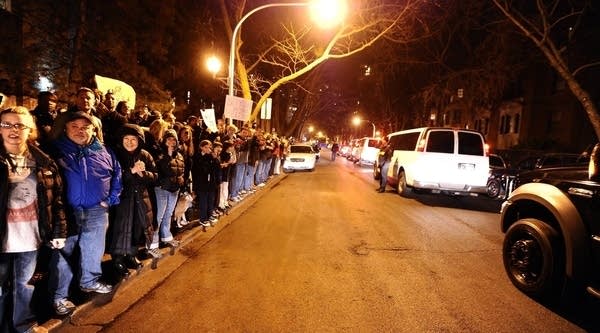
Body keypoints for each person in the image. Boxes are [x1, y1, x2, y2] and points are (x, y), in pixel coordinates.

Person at [0, 106, 67, 331]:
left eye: (20, 125)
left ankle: (24, 326)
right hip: (2, 239)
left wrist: (59, 231)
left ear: (31, 130)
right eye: (7, 124)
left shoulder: (44, 162)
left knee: (25, 286)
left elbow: (55, 200)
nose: (13, 130)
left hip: (29, 238)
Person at [49, 111, 122, 304]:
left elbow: (117, 175)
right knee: (62, 255)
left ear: (93, 130)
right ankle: (59, 296)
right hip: (67, 212)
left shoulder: (105, 151)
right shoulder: (55, 149)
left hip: (97, 210)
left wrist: (110, 199)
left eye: (85, 127)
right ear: (65, 128)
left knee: (94, 250)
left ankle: (89, 281)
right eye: (75, 126)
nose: (80, 131)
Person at [109, 124, 157, 278]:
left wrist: (144, 174)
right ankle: (117, 259)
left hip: (140, 199)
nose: (130, 142)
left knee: (137, 227)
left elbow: (155, 176)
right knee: (120, 228)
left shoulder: (145, 155)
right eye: (126, 139)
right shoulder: (115, 154)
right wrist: (131, 171)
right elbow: (111, 178)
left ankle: (131, 255)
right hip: (122, 200)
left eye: (133, 139)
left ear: (139, 140)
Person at [151, 129, 184, 252]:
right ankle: (153, 243)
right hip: (162, 188)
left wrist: (181, 182)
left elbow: (181, 170)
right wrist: (168, 155)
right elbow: (161, 170)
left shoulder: (179, 155)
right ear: (164, 141)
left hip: (174, 189)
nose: (171, 141)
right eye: (169, 139)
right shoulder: (159, 154)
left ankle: (166, 237)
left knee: (168, 213)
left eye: (173, 139)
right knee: (159, 215)